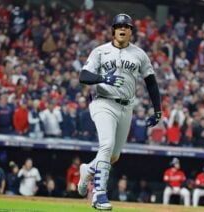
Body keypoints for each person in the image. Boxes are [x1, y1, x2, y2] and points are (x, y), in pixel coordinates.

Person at [77, 13, 161, 210]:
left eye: (127, 26)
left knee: (113, 156)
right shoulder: (100, 51)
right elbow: (83, 75)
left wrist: (158, 110)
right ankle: (98, 195)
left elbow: (151, 82)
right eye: (119, 26)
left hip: (126, 106)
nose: (123, 28)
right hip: (103, 102)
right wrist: (104, 79)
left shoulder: (139, 54)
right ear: (113, 30)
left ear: (131, 31)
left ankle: (88, 170)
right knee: (106, 144)